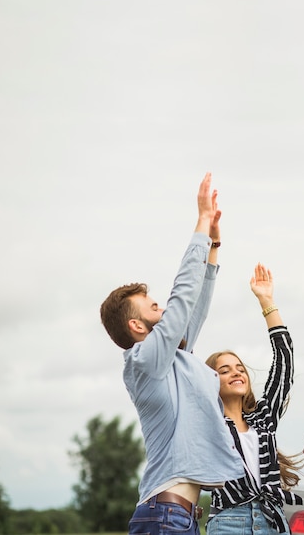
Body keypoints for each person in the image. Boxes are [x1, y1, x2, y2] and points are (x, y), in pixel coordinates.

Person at [99, 172, 245, 535]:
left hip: (176, 518)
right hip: (165, 515)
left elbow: (193, 311)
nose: (163, 310)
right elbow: (183, 299)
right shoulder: (144, 362)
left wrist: (212, 249)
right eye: (153, 307)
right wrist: (200, 222)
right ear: (136, 327)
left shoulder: (173, 360)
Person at [205, 263, 301, 535]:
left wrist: (267, 301)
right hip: (228, 520)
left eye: (239, 368)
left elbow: (285, 362)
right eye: (224, 370)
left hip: (272, 519)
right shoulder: (209, 423)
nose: (236, 372)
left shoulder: (263, 418)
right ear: (211, 381)